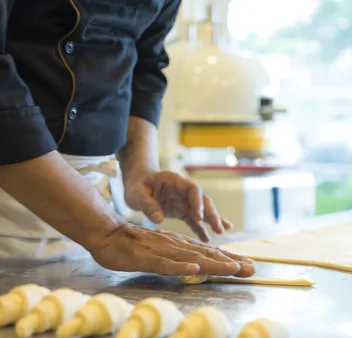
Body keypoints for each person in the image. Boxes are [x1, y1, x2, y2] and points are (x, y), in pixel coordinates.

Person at [0, 0, 256, 278]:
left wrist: (141, 170)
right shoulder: (104, 231)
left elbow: (145, 64)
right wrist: (105, 231)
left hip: (90, 212)